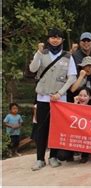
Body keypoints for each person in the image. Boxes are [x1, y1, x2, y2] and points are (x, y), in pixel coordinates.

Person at [29, 28, 77, 171]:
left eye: (58, 37)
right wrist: (38, 52)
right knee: (41, 129)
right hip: (43, 97)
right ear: (48, 39)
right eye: (52, 37)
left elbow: (72, 77)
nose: (55, 40)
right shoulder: (41, 54)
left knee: (56, 129)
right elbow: (32, 69)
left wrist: (60, 93)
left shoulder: (68, 56)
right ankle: (39, 159)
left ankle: (53, 157)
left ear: (62, 40)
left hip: (59, 99)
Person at [72, 87, 91, 163]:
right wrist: (75, 104)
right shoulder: (70, 107)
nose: (82, 98)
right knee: (62, 156)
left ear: (90, 97)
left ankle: (85, 155)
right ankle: (73, 152)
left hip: (86, 137)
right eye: (80, 95)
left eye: (85, 96)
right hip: (73, 135)